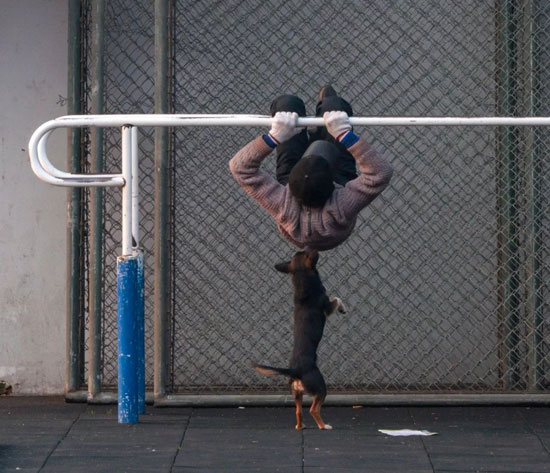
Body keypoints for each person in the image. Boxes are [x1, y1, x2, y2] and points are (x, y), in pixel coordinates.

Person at [229, 86, 393, 252]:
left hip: (295, 203)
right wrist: (344, 134)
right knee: (335, 107)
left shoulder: (283, 204)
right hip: (336, 189)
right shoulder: (341, 204)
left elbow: (239, 167)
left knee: (287, 105)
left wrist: (274, 137)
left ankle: (316, 131)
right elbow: (380, 173)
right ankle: (325, 123)